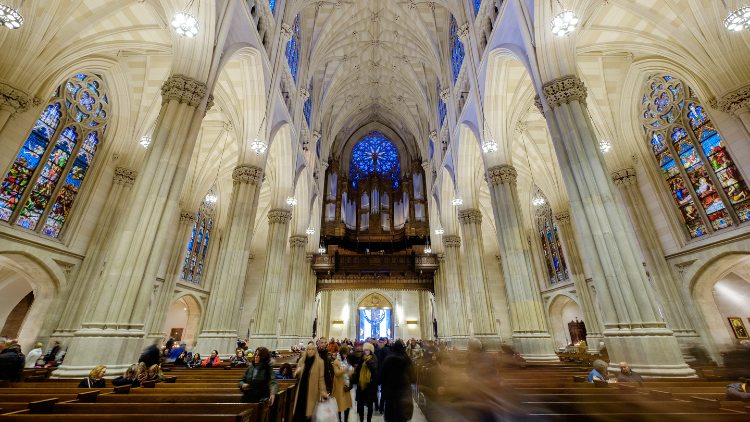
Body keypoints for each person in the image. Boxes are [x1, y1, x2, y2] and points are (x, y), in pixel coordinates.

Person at [380, 340, 415, 422]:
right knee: (402, 416)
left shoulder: (388, 359)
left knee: (391, 415)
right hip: (404, 392)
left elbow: (382, 375)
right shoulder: (407, 359)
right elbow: (413, 377)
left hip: (391, 392)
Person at [293, 342, 328, 422]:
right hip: (302, 389)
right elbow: (296, 375)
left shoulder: (320, 362)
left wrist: (323, 391)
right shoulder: (302, 360)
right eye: (309, 349)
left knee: (309, 413)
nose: (311, 351)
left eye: (312, 349)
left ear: (315, 351)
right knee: (299, 413)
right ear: (306, 350)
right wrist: (297, 372)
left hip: (312, 391)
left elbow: (321, 378)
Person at [354, 342, 378, 422]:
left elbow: (374, 369)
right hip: (361, 384)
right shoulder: (362, 357)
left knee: (370, 404)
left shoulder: (373, 358)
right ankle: (361, 419)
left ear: (371, 350)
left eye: (368, 350)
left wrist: (367, 362)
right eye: (365, 350)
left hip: (370, 385)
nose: (366, 351)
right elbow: (358, 370)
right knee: (360, 404)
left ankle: (368, 420)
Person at [333, 344, 353, 422]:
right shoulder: (336, 361)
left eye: (346, 354)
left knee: (347, 405)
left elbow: (349, 372)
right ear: (341, 353)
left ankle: (346, 420)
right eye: (344, 354)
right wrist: (346, 368)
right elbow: (337, 373)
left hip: (346, 386)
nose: (345, 356)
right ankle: (340, 420)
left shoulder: (346, 360)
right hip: (339, 386)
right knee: (339, 404)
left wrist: (352, 371)